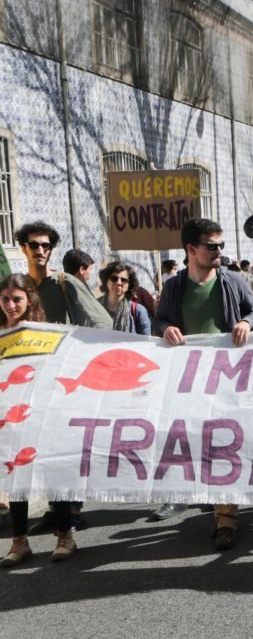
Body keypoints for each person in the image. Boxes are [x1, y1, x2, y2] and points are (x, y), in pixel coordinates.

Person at [152, 218, 253, 548]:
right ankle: (208, 501)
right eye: (212, 246)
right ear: (191, 250)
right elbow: (161, 319)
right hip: (189, 379)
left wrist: (246, 321)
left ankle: (226, 517)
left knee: (223, 441)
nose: (219, 251)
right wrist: (165, 329)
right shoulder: (174, 287)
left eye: (221, 245)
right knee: (195, 441)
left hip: (229, 376)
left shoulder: (233, 281)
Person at [17, 222, 110, 537]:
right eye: (34, 245)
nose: (40, 251)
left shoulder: (64, 282)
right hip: (32, 379)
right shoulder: (20, 289)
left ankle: (71, 511)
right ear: (23, 248)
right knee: (41, 446)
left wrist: (75, 350)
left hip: (65, 378)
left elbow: (101, 320)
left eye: (46, 246)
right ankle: (56, 510)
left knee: (62, 445)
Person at [0, 274, 77, 566]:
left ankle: (65, 535)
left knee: (53, 475)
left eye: (16, 299)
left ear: (29, 300)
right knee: (15, 477)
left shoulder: (45, 333)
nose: (10, 305)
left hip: (42, 414)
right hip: (10, 419)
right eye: (5, 298)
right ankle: (19, 542)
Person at [97, 262, 151, 335]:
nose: (119, 282)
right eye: (114, 278)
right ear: (106, 281)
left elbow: (146, 343)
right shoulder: (95, 307)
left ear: (129, 285)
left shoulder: (138, 311)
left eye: (123, 280)